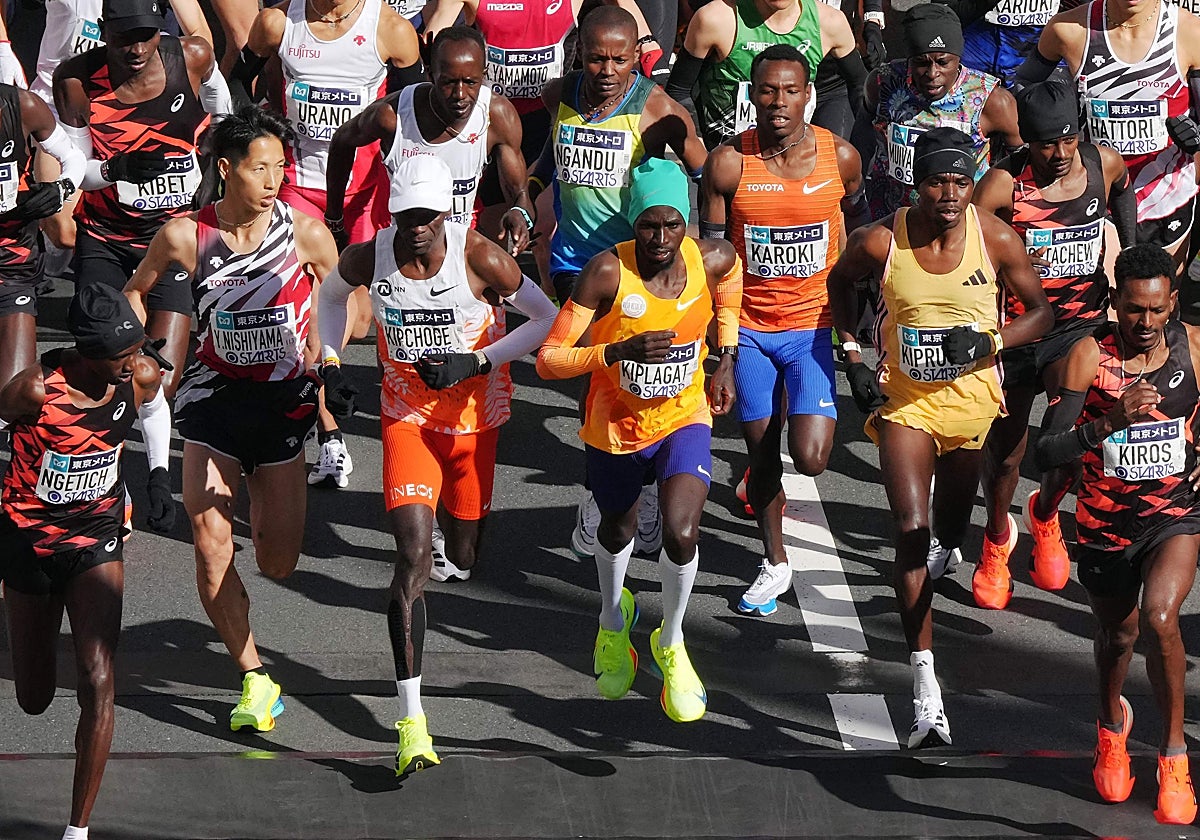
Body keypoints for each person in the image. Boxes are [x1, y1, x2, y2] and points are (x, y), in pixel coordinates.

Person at [316, 154, 557, 772]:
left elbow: (545, 319)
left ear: (445, 212)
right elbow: (332, 298)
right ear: (393, 211)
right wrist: (332, 360)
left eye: (427, 216)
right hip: (408, 420)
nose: (416, 227)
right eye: (406, 215)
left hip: (475, 423)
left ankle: (460, 540)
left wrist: (476, 362)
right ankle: (412, 721)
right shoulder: (372, 254)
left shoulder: (478, 256)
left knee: (465, 554)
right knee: (411, 557)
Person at [827, 128, 1051, 747]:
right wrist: (853, 353)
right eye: (935, 181)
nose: (948, 194)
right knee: (909, 528)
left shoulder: (997, 238)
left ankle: (950, 549)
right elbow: (839, 285)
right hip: (905, 402)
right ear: (915, 183)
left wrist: (988, 342)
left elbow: (1041, 312)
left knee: (950, 525)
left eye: (959, 181)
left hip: (972, 404)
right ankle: (927, 691)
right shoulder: (880, 239)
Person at [123, 106, 339, 733]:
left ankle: (256, 572)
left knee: (277, 562)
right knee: (210, 542)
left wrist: (326, 356)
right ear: (226, 169)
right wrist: (146, 349)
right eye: (260, 167)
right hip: (212, 401)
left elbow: (345, 300)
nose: (274, 178)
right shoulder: (188, 235)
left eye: (280, 166)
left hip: (282, 407)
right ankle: (254, 676)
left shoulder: (305, 233)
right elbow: (138, 289)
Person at [537, 157, 743, 723]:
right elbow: (550, 360)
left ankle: (670, 641)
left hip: (684, 416)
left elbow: (731, 285)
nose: (659, 238)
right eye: (647, 225)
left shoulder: (712, 258)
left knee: (680, 531)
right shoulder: (606, 273)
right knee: (618, 527)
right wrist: (614, 353)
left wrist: (725, 357)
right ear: (633, 222)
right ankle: (611, 620)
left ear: (688, 224)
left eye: (671, 225)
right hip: (617, 428)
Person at [527, 4, 708, 559]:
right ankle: (605, 491)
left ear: (638, 57)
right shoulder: (560, 93)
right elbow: (545, 159)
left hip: (633, 263)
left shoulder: (655, 105)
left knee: (634, 369)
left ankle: (642, 486)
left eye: (620, 59)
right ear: (579, 51)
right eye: (597, 57)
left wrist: (679, 155)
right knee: (594, 368)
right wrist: (529, 196)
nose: (607, 69)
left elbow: (701, 164)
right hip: (571, 261)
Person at [1033, 244, 1200, 825]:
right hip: (1105, 523)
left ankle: (1174, 754)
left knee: (1160, 617)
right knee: (1118, 635)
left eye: (1157, 310)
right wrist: (1108, 423)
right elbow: (1046, 449)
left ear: (1172, 303)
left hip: (1173, 514)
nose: (1147, 324)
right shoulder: (1088, 355)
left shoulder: (1194, 347)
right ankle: (1111, 725)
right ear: (1117, 304)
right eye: (1134, 311)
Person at [0, 284, 172, 840]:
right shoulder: (33, 390)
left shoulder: (138, 375)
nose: (133, 363)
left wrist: (159, 475)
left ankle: (78, 830)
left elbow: (154, 408)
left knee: (98, 675)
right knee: (33, 698)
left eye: (135, 350)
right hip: (29, 543)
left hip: (97, 539)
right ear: (85, 353)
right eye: (120, 355)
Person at [700, 44, 868, 615]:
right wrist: (717, 352)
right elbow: (715, 257)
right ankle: (773, 564)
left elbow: (866, 242)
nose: (777, 103)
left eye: (790, 91)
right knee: (762, 450)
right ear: (752, 94)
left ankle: (765, 479)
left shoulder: (840, 158)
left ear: (808, 95)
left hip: (812, 327)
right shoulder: (728, 164)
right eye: (767, 90)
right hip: (748, 327)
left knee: (814, 456)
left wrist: (862, 330)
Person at [969, 80, 1134, 602]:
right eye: (1045, 144)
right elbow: (970, 248)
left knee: (1064, 450)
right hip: (1017, 334)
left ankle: (1044, 514)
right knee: (1008, 454)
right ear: (1027, 141)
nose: (1059, 154)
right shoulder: (1001, 185)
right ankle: (997, 539)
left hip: (1078, 331)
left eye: (1067, 141)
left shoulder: (1102, 165)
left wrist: (1128, 254)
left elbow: (1124, 188)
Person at [245, 0, 421, 487]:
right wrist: (260, 137)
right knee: (309, 308)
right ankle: (329, 435)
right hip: (298, 188)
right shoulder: (279, 22)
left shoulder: (390, 29)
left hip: (364, 195)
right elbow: (240, 81)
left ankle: (323, 390)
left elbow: (414, 113)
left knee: (360, 319)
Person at [54, 0, 231, 396]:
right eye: (124, 39)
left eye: (146, 37)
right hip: (106, 239)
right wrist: (117, 170)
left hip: (170, 240)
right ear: (102, 30)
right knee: (106, 376)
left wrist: (211, 161)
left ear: (160, 30)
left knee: (159, 384)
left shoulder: (193, 55)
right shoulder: (75, 80)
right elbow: (78, 170)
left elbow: (225, 115)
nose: (136, 50)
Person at [29, 0, 218, 269]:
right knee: (63, 232)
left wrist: (194, 99)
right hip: (63, 101)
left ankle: (132, 271)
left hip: (142, 93)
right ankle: (57, 264)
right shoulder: (72, 76)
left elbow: (200, 34)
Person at [1020, 0, 1200, 279]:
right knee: (1111, 305)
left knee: (1159, 304)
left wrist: (1194, 135)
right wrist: (1057, 121)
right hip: (1097, 197)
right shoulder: (1067, 28)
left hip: (1165, 196)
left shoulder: (1190, 31)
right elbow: (1021, 91)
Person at [325, 26, 535, 255]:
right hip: (398, 246)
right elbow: (341, 142)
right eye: (449, 83)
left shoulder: (497, 116)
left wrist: (520, 215)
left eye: (471, 82)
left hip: (459, 246)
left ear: (483, 74)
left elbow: (519, 192)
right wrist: (335, 218)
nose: (460, 94)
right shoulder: (392, 115)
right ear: (430, 74)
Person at [857, 3, 1022, 219]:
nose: (933, 73)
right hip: (892, 218)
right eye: (921, 63)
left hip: (960, 224)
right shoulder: (883, 82)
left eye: (943, 62)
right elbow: (862, 137)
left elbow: (1021, 161)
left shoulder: (991, 100)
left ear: (958, 58)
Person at [665, 0, 875, 146]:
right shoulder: (715, 18)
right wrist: (701, 160)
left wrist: (865, 147)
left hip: (794, 159)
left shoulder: (829, 22)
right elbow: (678, 91)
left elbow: (860, 87)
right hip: (730, 162)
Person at [0, 82, 86, 386]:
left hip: (13, 265)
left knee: (13, 393)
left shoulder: (24, 106)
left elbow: (74, 159)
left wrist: (60, 189)